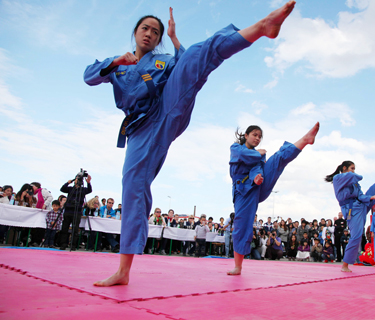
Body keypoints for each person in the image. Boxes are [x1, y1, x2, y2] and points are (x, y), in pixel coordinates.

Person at [87, 1, 298, 287]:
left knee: (199, 53)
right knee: (133, 184)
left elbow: (187, 63)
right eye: (144, 29)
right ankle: (123, 271)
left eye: (155, 32)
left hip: (167, 107)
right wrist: (115, 63)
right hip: (140, 129)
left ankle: (261, 27)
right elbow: (89, 75)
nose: (149, 34)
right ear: (135, 32)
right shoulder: (118, 64)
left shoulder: (162, 61)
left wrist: (174, 40)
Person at [228, 122, 319, 275]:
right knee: (242, 225)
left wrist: (257, 177)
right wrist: (254, 172)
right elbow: (243, 157)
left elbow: (257, 168)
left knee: (278, 158)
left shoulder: (260, 155)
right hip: (244, 192)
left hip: (259, 185)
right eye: (254, 135)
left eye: (259, 136)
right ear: (246, 136)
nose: (257, 138)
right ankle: (238, 266)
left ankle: (305, 140)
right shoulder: (236, 148)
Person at [59, 175, 92, 251]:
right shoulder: (71, 189)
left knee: (75, 229)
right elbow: (62, 189)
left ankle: (73, 245)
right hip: (68, 211)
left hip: (77, 212)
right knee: (65, 228)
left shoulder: (82, 190)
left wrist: (88, 183)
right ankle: (63, 244)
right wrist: (68, 182)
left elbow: (89, 190)